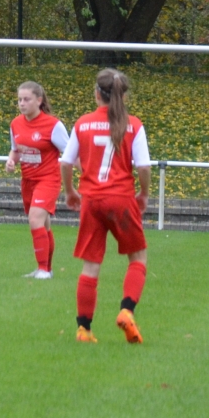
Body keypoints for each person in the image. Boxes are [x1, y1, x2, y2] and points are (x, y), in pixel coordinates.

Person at [59, 68, 150, 343]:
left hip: (92, 201)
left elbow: (65, 162)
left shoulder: (83, 123)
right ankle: (126, 311)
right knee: (138, 257)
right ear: (124, 95)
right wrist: (144, 193)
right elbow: (144, 166)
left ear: (97, 93)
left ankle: (84, 329)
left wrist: (70, 191)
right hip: (121, 199)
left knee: (91, 266)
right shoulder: (133, 124)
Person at [3, 80, 70, 279]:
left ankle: (42, 269)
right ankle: (46, 269)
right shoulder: (15, 123)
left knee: (35, 219)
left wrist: (87, 176)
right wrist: (11, 161)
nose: (22, 103)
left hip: (48, 180)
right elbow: (16, 150)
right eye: (19, 100)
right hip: (28, 180)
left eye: (26, 99)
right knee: (44, 225)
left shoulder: (53, 125)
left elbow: (70, 152)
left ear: (39, 101)